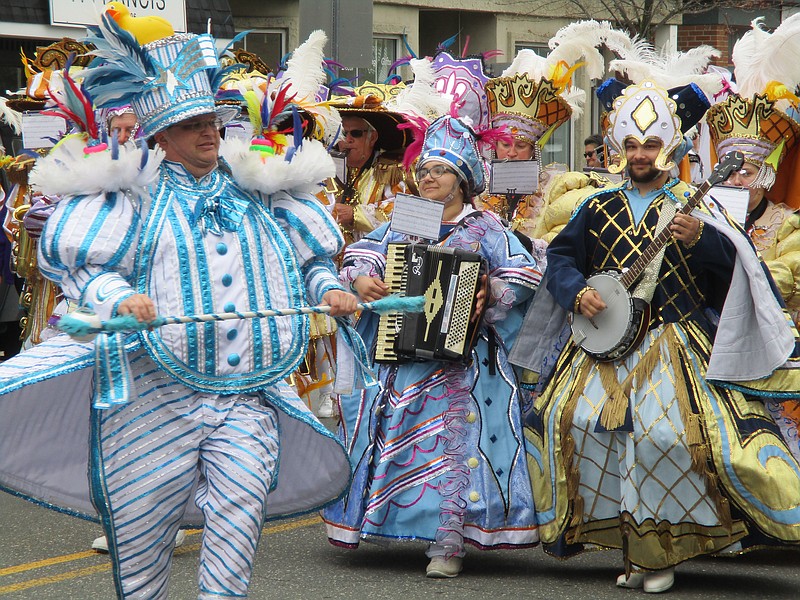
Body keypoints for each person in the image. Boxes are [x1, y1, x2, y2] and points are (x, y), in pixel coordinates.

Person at [0, 16, 355, 599]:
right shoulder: (130, 194)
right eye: (191, 126)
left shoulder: (259, 190)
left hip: (248, 394)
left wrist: (330, 290)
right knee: (141, 549)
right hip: (152, 395)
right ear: (161, 135)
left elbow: (306, 264)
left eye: (212, 123)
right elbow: (89, 271)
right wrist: (122, 297)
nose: (208, 135)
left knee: (240, 523)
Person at [510, 79, 800, 593]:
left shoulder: (697, 203)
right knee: (568, 420)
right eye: (631, 145)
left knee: (662, 437)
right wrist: (577, 292)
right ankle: (626, 546)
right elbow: (559, 260)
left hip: (675, 344)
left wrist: (707, 241)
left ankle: (660, 550)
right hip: (600, 349)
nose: (640, 154)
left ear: (667, 146)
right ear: (621, 148)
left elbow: (737, 274)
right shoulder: (597, 206)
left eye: (649, 144)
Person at [323, 114, 542, 578]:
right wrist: (362, 277)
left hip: (465, 366)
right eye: (423, 170)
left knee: (458, 445)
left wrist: (491, 290)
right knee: (395, 431)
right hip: (402, 356)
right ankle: (396, 521)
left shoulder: (485, 226)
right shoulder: (408, 217)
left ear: (462, 181)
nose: (427, 178)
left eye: (439, 171)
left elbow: (525, 274)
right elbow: (365, 250)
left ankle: (449, 540)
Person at [705, 15, 800, 464]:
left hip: (776, 358)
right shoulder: (705, 220)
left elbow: (783, 279)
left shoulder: (788, 224)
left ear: (766, 175)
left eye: (748, 172)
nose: (739, 181)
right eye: (731, 172)